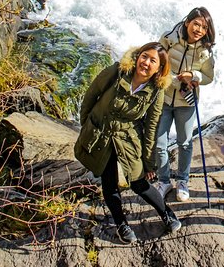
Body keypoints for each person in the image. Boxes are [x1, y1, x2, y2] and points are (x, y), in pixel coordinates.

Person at [74, 42, 181, 244]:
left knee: (140, 183)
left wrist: (149, 162)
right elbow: (91, 94)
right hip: (101, 134)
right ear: (138, 56)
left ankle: (167, 214)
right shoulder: (117, 71)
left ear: (159, 68)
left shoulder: (156, 91)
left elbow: (151, 127)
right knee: (109, 183)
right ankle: (121, 224)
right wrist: (86, 125)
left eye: (152, 61)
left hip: (127, 138)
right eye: (144, 56)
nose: (146, 63)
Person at [155, 7, 216, 202]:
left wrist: (194, 75)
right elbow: (157, 63)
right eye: (196, 24)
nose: (199, 30)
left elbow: (208, 77)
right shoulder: (168, 39)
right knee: (159, 143)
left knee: (185, 143)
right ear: (187, 22)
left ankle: (183, 181)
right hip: (163, 98)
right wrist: (175, 80)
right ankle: (163, 181)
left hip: (186, 102)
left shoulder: (205, 52)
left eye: (204, 27)